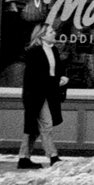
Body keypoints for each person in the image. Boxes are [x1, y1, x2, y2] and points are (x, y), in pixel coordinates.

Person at [18, 22, 68, 169]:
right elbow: (36, 76)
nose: (54, 33)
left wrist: (62, 78)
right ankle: (53, 157)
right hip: (36, 94)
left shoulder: (53, 50)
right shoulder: (34, 52)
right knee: (46, 124)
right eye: (51, 31)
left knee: (33, 128)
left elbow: (56, 70)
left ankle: (23, 158)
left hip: (49, 93)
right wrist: (56, 80)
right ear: (42, 35)